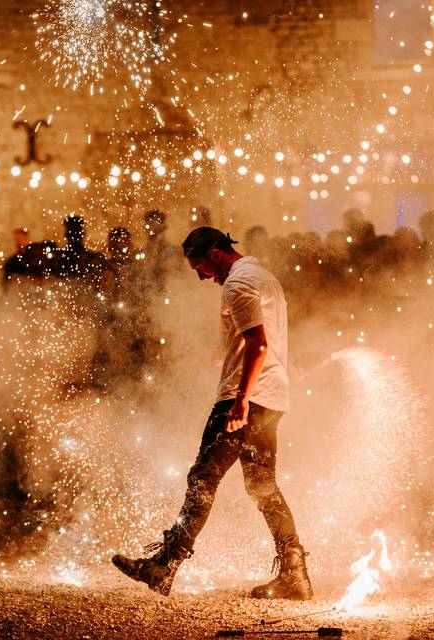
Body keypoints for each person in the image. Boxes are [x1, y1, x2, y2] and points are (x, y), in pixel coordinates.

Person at [112, 227, 311, 600]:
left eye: (200, 267)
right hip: (271, 397)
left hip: (247, 399)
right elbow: (258, 338)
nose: (203, 276)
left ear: (216, 255)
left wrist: (239, 399)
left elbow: (259, 343)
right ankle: (294, 574)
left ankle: (163, 566)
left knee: (203, 478)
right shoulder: (263, 277)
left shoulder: (237, 284)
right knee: (263, 488)